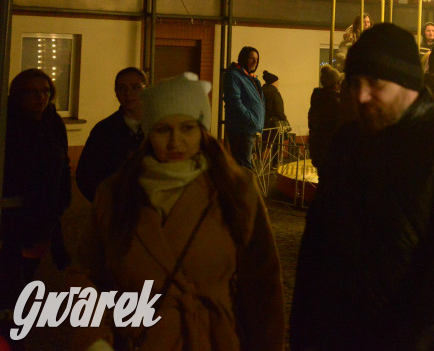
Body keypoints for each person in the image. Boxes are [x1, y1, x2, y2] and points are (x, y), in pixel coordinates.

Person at [290, 23, 434, 350]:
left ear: (407, 83)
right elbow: (317, 249)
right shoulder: (348, 142)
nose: (361, 95)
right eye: (355, 82)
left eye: (375, 83)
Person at [69, 72, 284, 350]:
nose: (175, 142)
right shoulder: (117, 193)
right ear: (148, 133)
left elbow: (262, 281)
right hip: (139, 339)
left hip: (214, 338)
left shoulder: (234, 189)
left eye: (187, 128)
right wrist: (93, 339)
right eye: (162, 130)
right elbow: (86, 273)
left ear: (202, 130)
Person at [0, 69, 71, 335]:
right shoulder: (10, 125)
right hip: (14, 212)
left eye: (45, 91)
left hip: (45, 214)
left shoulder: (53, 124)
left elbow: (62, 164)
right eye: (32, 92)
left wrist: (62, 200)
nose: (40, 97)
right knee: (11, 273)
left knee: (25, 273)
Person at [76, 66, 148, 202]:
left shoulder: (157, 127)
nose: (128, 93)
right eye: (122, 88)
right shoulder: (104, 130)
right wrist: (104, 203)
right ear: (116, 92)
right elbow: (86, 175)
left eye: (135, 87)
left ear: (147, 89)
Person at [222, 46, 265, 169]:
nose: (255, 61)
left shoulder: (251, 78)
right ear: (243, 58)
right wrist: (250, 119)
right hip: (241, 129)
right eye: (251, 58)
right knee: (244, 167)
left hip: (250, 128)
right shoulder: (234, 75)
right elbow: (234, 101)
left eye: (257, 59)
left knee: (245, 165)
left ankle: (243, 187)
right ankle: (246, 188)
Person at [306, 64, 345, 176]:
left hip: (318, 149)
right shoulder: (335, 103)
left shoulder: (318, 99)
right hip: (332, 153)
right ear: (336, 84)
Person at [262, 69, 290, 161]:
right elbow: (279, 110)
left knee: (264, 143)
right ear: (273, 82)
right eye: (277, 81)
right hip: (275, 123)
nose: (278, 83)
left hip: (264, 121)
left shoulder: (262, 92)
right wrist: (284, 119)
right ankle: (275, 164)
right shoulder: (274, 93)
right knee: (276, 143)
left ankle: (260, 164)